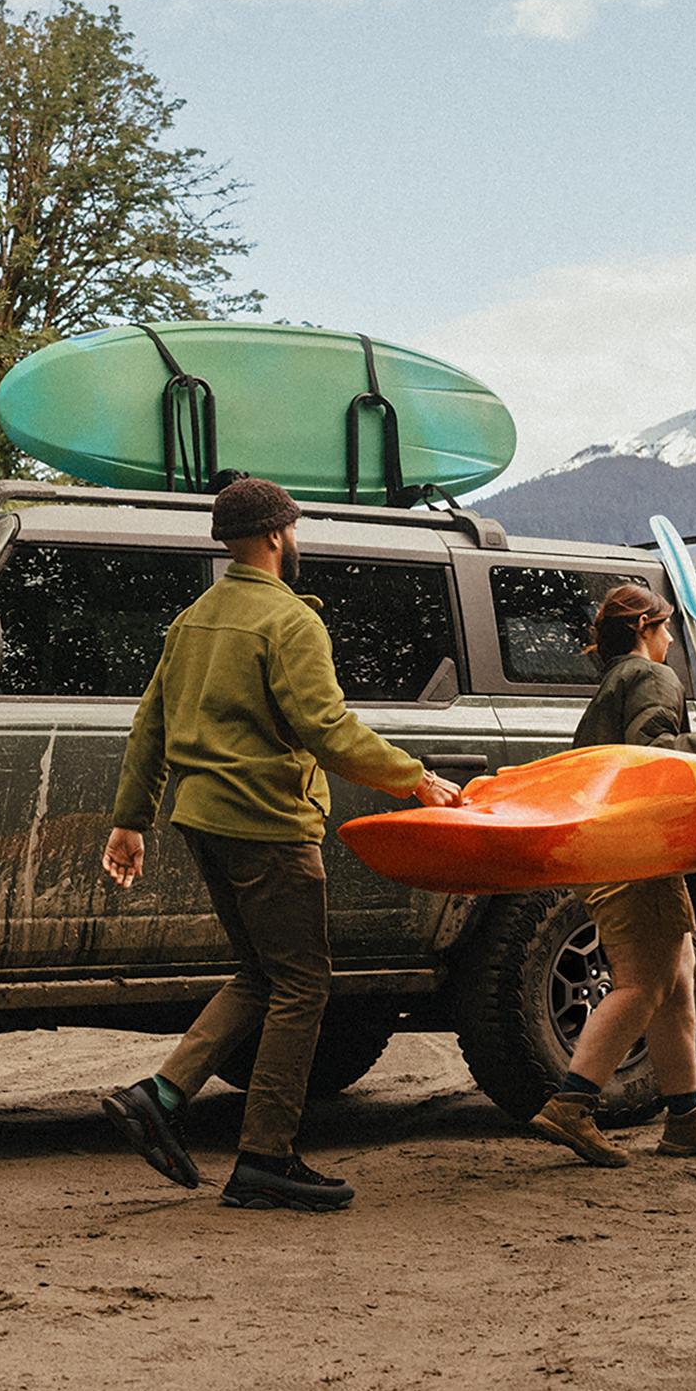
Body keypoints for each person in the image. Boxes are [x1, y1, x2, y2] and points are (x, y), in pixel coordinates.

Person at [97, 477, 464, 1213]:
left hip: (203, 821)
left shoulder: (194, 619)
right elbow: (327, 729)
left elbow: (150, 726)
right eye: (293, 528)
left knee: (266, 973)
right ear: (276, 534)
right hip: (269, 824)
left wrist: (131, 819)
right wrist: (416, 779)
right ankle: (266, 1155)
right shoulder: (291, 622)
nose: (296, 540)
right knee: (303, 984)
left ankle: (161, 1094)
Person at [528, 582, 696, 1168]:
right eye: (664, 628)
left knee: (677, 975)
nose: (669, 639)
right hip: (634, 851)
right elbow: (654, 751)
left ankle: (686, 1116)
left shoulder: (611, 684)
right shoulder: (650, 678)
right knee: (644, 982)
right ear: (645, 626)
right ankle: (572, 1103)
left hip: (610, 851)